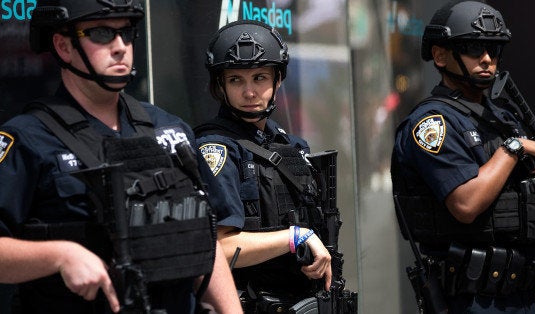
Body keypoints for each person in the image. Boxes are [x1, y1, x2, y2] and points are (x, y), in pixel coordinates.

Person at [0, 1, 241, 313]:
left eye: (126, 33)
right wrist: (60, 256)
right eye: (101, 33)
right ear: (62, 46)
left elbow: (206, 241)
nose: (120, 47)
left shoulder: (170, 128)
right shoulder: (28, 140)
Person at [391, 0, 535, 313]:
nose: (487, 59)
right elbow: (466, 204)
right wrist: (515, 147)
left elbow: (523, 202)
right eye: (473, 48)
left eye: (493, 49)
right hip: (470, 299)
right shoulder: (432, 123)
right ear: (440, 55)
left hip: (522, 294)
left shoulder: (504, 118)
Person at [194, 20, 333, 312]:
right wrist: (297, 237)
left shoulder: (291, 145)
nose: (249, 92)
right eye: (236, 80)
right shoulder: (216, 148)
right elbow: (219, 248)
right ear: (220, 84)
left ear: (278, 79)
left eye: (259, 78)